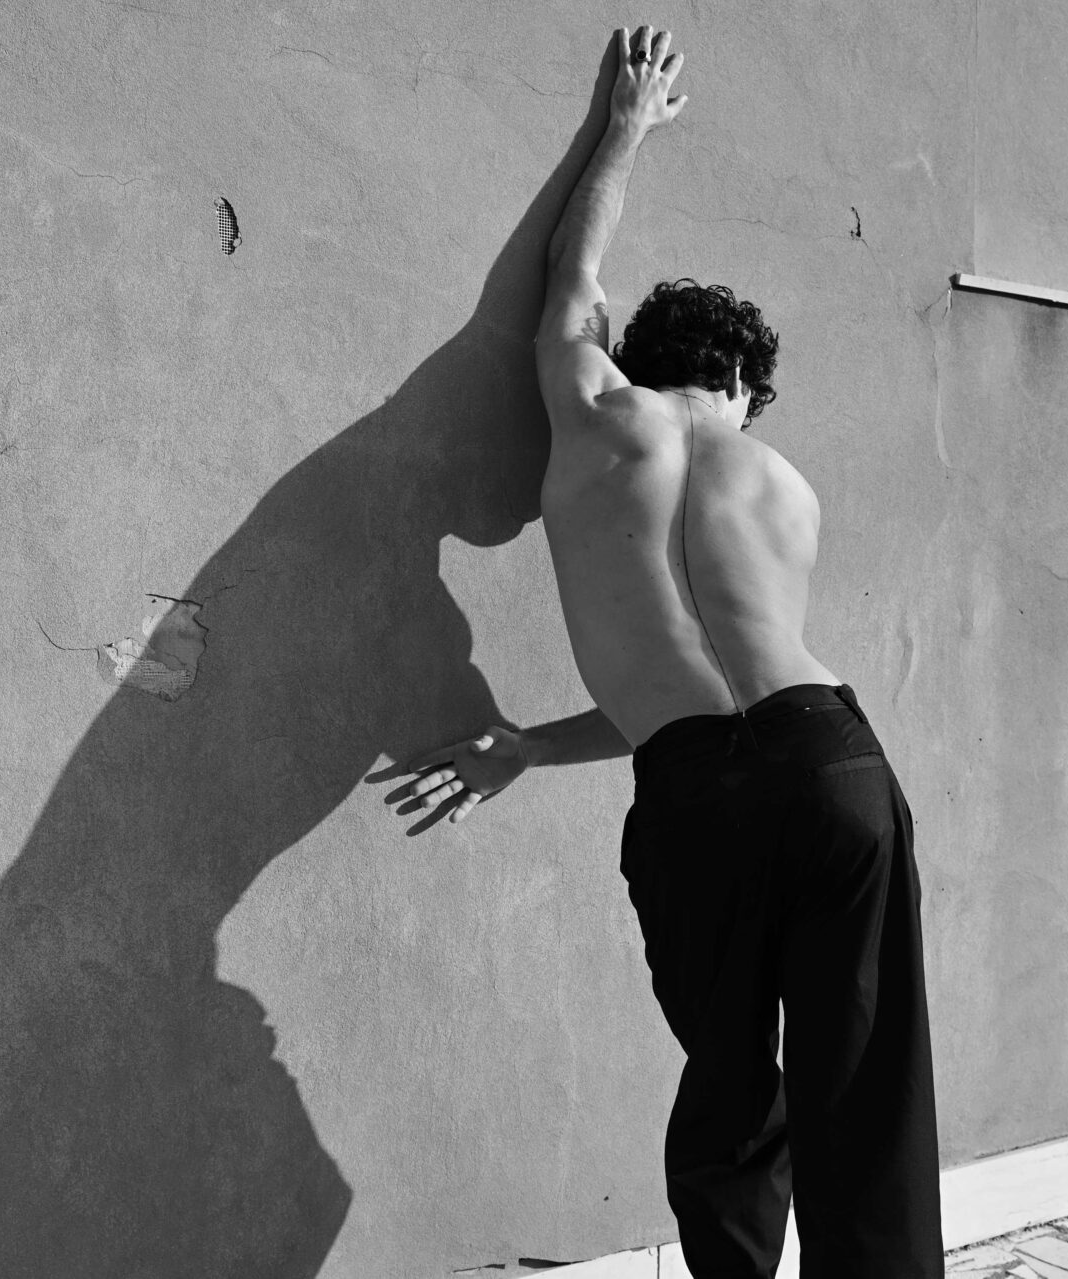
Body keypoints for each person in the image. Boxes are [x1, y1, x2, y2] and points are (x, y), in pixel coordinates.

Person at [377, 26, 943, 1279]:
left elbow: (570, 275)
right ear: (736, 378)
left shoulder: (592, 411)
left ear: (639, 361)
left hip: (698, 798)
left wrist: (623, 128)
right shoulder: (784, 488)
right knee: (866, 1084)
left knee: (732, 1079)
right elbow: (742, 685)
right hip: (834, 763)